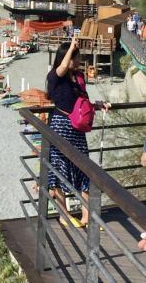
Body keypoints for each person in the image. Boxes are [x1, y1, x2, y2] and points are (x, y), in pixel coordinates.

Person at [46, 38, 108, 228]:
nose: (80, 59)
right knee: (57, 170)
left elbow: (82, 102)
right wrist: (71, 47)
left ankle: (87, 217)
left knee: (83, 169)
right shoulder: (55, 76)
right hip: (59, 127)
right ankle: (64, 216)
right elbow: (62, 68)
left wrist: (97, 105)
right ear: (68, 57)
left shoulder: (79, 77)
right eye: (77, 56)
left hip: (77, 130)